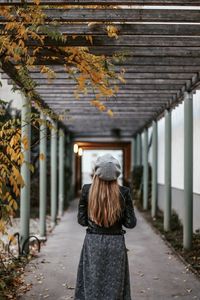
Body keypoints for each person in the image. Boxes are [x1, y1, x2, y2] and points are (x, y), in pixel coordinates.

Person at [74, 153, 137, 300]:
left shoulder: (87, 190)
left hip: (93, 242)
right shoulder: (124, 192)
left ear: (96, 172)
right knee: (115, 283)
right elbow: (130, 223)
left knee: (91, 281)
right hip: (116, 243)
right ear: (116, 174)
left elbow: (82, 221)